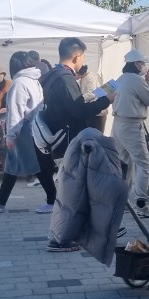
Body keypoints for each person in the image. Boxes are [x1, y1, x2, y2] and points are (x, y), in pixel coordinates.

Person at [40, 39, 113, 250]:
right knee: (71, 194)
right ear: (76, 56)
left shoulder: (52, 76)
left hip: (60, 139)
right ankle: (60, 238)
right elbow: (79, 110)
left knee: (73, 191)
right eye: (83, 56)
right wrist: (106, 99)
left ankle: (82, 230)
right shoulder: (65, 79)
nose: (83, 61)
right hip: (69, 141)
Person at [0, 52, 50, 214]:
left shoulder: (19, 83)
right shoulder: (34, 81)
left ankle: (53, 199)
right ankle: (0, 201)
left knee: (35, 167)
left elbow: (15, 112)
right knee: (16, 166)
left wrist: (11, 135)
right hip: (35, 128)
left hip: (24, 131)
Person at [110, 49, 149, 218]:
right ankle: (141, 203)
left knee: (124, 163)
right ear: (137, 64)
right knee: (143, 163)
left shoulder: (118, 79)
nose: (145, 66)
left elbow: (99, 94)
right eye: (143, 63)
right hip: (132, 125)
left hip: (118, 124)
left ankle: (122, 201)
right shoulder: (137, 80)